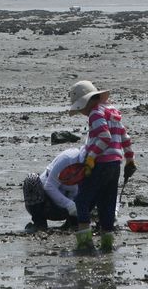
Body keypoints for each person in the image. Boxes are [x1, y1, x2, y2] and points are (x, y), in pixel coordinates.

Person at [68, 80, 135, 251]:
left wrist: (91, 157)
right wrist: (130, 160)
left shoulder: (95, 113)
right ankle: (107, 244)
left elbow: (104, 137)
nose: (82, 112)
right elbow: (125, 138)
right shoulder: (112, 111)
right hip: (115, 165)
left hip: (101, 163)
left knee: (82, 200)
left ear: (87, 102)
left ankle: (85, 243)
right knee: (107, 203)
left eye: (80, 108)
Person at [23, 146, 87, 231]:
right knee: (31, 180)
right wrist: (69, 205)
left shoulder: (97, 166)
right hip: (44, 203)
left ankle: (73, 224)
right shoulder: (69, 157)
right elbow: (49, 186)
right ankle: (39, 224)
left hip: (70, 208)